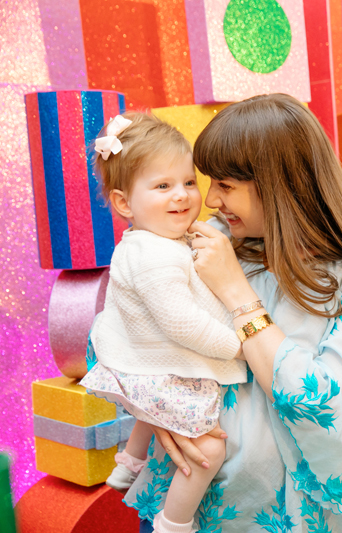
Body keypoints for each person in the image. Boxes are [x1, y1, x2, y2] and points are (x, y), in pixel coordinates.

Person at [123, 93, 342, 533]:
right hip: (194, 502)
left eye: (225, 186)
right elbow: (122, 330)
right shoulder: (210, 246)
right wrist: (155, 410)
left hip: (289, 515)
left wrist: (235, 292)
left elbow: (331, 411)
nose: (209, 200)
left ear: (278, 184)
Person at [79, 113, 248, 533]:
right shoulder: (155, 255)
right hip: (151, 366)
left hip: (141, 364)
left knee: (151, 406)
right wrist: (236, 344)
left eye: (189, 182)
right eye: (162, 186)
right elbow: (181, 322)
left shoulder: (157, 239)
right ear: (123, 203)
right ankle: (174, 523)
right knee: (208, 447)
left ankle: (127, 465)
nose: (183, 196)